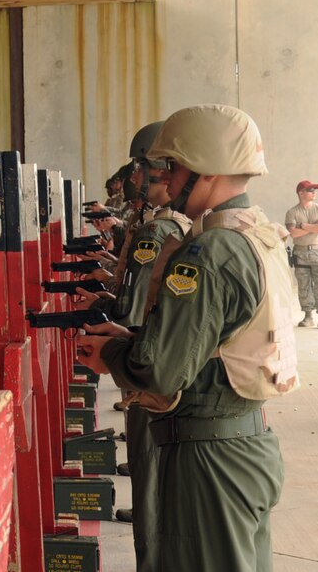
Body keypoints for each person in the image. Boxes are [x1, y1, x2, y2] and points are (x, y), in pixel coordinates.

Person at [77, 104, 299, 572]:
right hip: (249, 444)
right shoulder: (259, 236)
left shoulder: (208, 252)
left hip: (209, 461)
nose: (167, 181)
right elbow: (218, 339)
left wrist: (113, 353)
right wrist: (135, 335)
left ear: (207, 168)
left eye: (174, 168)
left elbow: (160, 372)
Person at [76, 122, 191, 572]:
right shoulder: (173, 227)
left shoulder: (156, 231)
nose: (136, 180)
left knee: (147, 464)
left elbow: (132, 303)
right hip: (150, 349)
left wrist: (116, 342)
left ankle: (151, 549)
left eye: (142, 170)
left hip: (146, 355)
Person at [285, 181, 318, 328]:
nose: (314, 192)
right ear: (301, 193)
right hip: (301, 252)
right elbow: (293, 233)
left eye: (314, 190)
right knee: (304, 286)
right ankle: (308, 316)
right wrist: (315, 227)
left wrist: (304, 226)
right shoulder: (292, 212)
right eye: (310, 190)